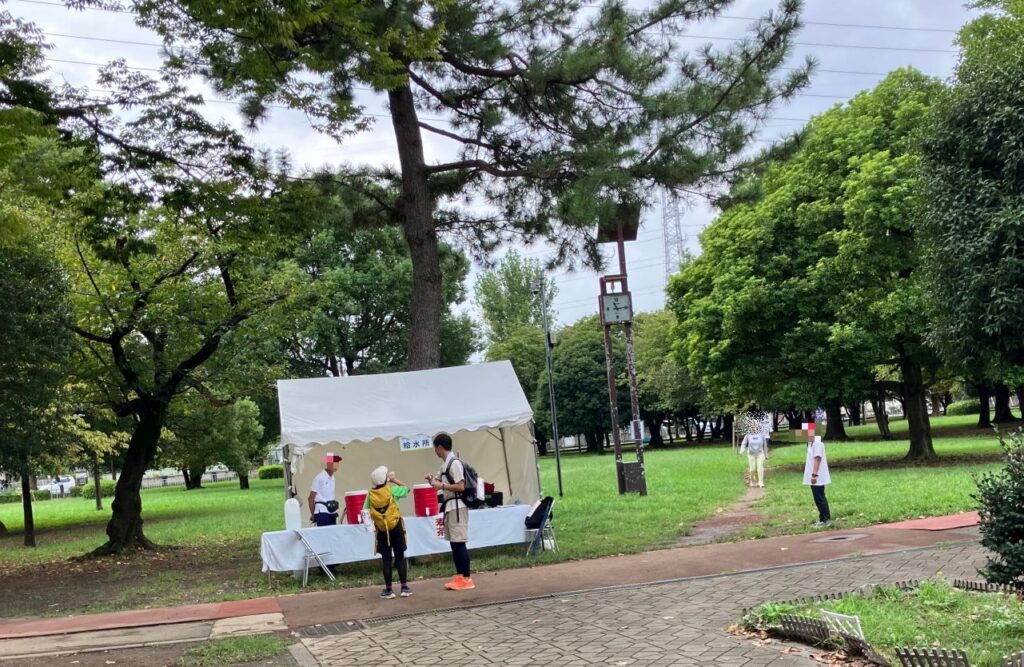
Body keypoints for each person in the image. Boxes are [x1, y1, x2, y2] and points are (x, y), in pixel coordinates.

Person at [426, 432, 474, 591]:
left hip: (457, 507)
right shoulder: (445, 465)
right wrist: (432, 481)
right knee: (454, 543)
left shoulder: (454, 463)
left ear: (440, 447)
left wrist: (442, 486)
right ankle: (460, 576)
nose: (435, 451)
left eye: (435, 448)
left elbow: (461, 486)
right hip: (450, 507)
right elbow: (437, 484)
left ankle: (467, 578)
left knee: (459, 543)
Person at [365, 466, 412, 599]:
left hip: (381, 530)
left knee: (386, 560)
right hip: (396, 527)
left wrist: (372, 527)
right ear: (385, 479)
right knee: (400, 557)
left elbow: (365, 512)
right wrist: (394, 479)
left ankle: (388, 590)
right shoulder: (392, 490)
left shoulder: (370, 495)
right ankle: (404, 588)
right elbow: (407, 488)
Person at [803, 435, 832, 527]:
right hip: (814, 476)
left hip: (817, 477)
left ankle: (826, 520)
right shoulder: (810, 443)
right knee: (819, 498)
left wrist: (814, 475)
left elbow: (818, 459)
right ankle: (822, 519)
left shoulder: (817, 443)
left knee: (820, 499)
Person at [308, 453, 342, 526]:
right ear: (328, 463)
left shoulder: (333, 478)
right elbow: (311, 498)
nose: (336, 465)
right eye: (334, 462)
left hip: (332, 510)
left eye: (337, 462)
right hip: (322, 511)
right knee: (324, 532)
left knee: (333, 532)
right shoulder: (319, 478)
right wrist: (313, 514)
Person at [739, 423, 770, 488]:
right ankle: (752, 481)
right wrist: (741, 451)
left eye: (756, 427)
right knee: (752, 469)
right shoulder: (748, 435)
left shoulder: (762, 435)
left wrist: (766, 455)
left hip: (760, 454)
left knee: (760, 468)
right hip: (751, 454)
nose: (754, 429)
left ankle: (761, 482)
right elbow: (744, 443)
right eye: (753, 427)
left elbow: (764, 445)